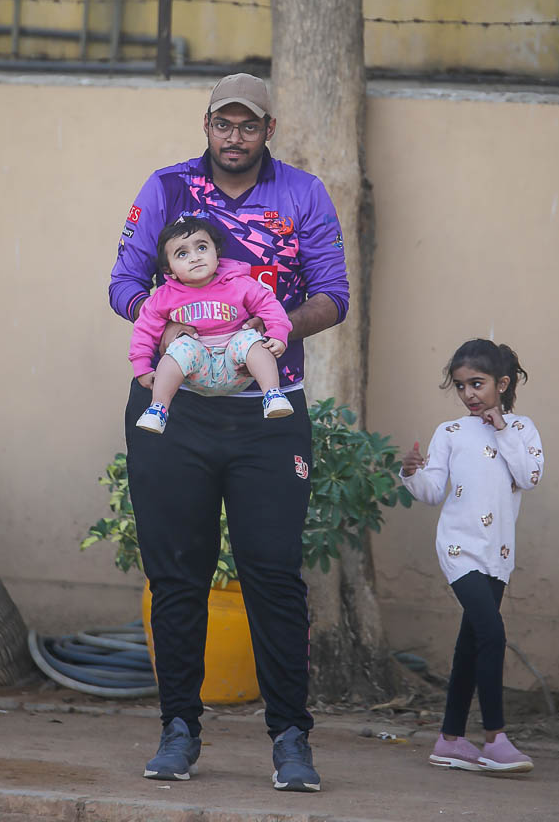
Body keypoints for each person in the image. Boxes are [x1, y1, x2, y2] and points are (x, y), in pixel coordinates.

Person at [109, 72, 349, 791]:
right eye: (223, 124)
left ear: (268, 130)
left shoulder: (303, 194)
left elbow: (333, 295)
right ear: (207, 126)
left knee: (273, 574)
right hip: (173, 410)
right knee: (176, 574)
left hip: (268, 413)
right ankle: (178, 730)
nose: (234, 137)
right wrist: (168, 327)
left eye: (248, 125)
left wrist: (265, 335)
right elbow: (123, 283)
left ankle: (291, 740)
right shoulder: (166, 189)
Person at [400, 338, 543, 774]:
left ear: (502, 384)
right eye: (461, 386)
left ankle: (449, 739)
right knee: (492, 633)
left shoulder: (522, 430)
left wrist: (502, 430)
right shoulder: (451, 432)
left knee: (471, 643)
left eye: (477, 384)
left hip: (498, 553)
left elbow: (530, 476)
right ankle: (495, 738)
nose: (468, 394)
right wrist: (410, 472)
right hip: (458, 548)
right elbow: (431, 491)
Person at [130, 217, 294, 433]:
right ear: (169, 270)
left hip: (237, 366)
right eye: (182, 254)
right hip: (196, 370)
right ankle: (158, 408)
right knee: (179, 348)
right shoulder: (164, 297)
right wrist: (141, 367)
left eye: (201, 247)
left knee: (251, 337)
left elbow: (269, 305)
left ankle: (272, 394)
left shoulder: (239, 284)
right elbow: (144, 330)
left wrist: (278, 333)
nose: (195, 257)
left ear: (216, 253)